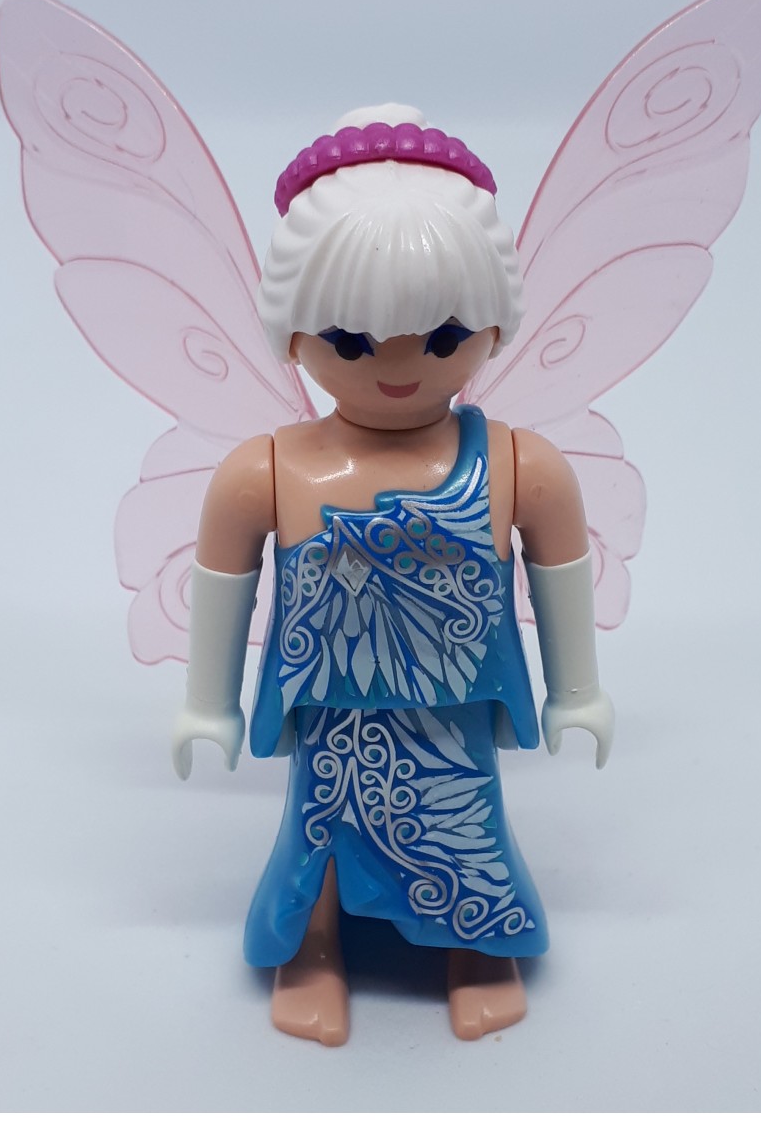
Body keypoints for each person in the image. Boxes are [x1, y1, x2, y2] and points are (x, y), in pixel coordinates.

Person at [171, 105, 614, 1046]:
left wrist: (578, 692)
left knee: (467, 817)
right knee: (320, 826)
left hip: (454, 704)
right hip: (330, 707)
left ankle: (475, 943)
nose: (400, 367)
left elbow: (561, 566)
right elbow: (223, 577)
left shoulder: (519, 465)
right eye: (352, 340)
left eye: (444, 334)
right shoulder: (266, 470)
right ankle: (314, 948)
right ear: (293, 334)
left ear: (494, 324)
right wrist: (206, 706)